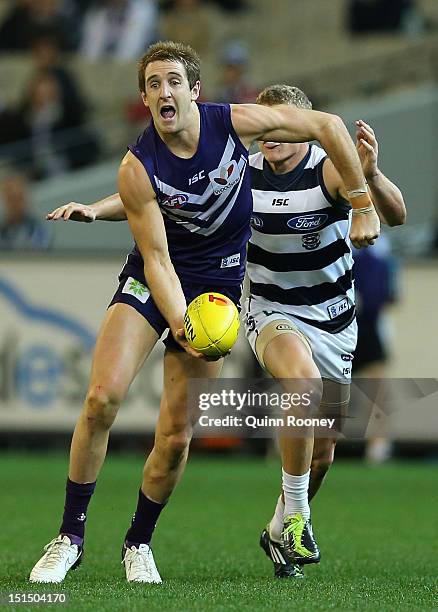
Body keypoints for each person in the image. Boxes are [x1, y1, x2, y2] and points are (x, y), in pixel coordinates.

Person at [29, 41, 380, 585]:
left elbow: (328, 124)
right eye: (152, 84)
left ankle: (138, 543)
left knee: (175, 435)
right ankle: (69, 536)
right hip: (157, 283)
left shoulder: (235, 125)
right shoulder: (137, 166)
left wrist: (359, 198)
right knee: (101, 398)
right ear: (144, 99)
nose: (163, 91)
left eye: (173, 81)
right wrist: (181, 324)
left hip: (215, 290)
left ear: (195, 91)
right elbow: (157, 258)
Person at [0, 171, 52, 250]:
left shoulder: (39, 228)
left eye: (17, 198)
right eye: (10, 199)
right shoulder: (3, 229)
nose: (14, 204)